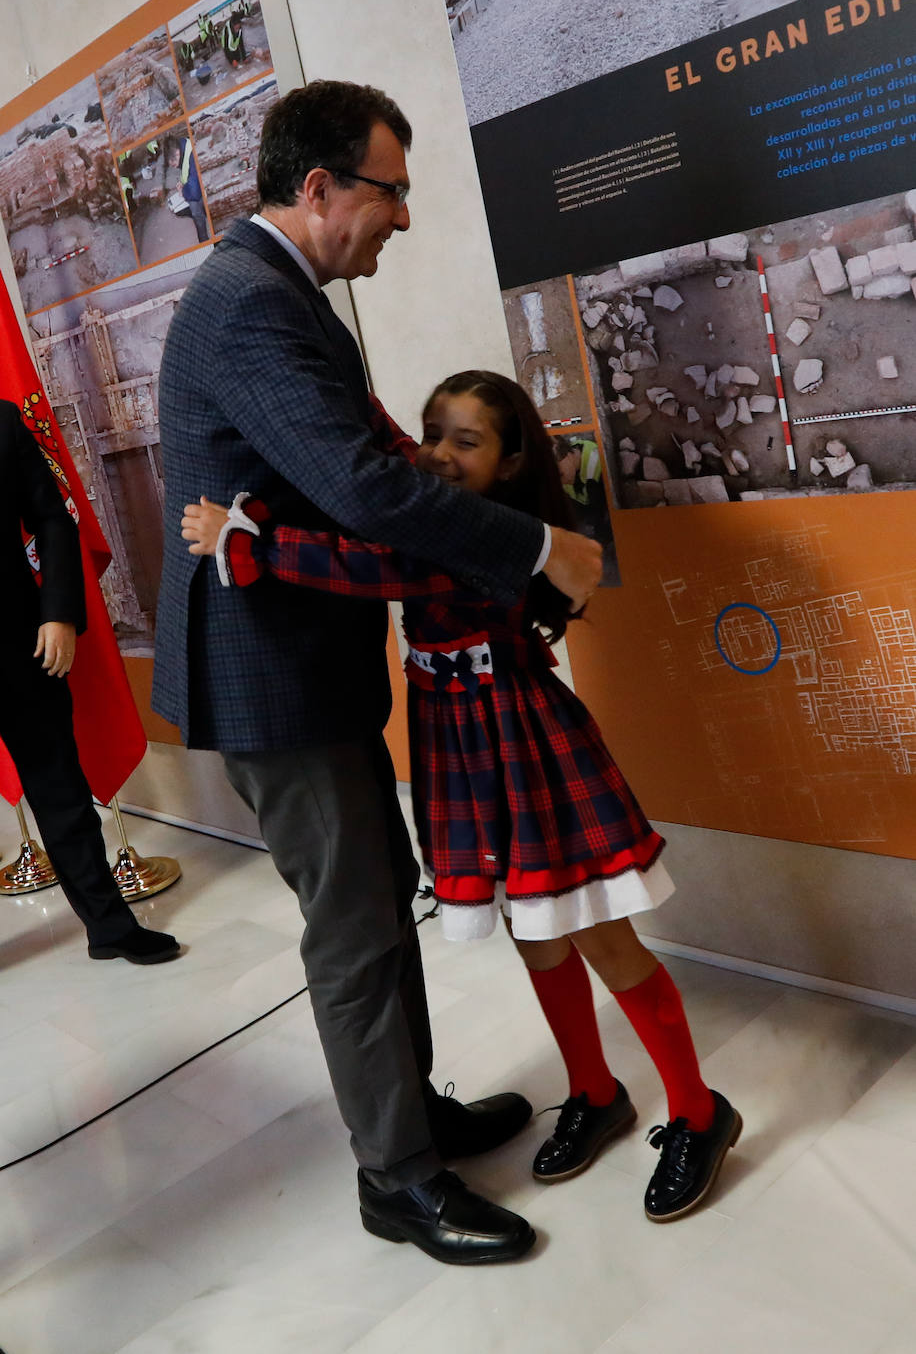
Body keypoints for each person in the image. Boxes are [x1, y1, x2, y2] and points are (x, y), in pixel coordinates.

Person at [152, 81, 602, 1264]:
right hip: (271, 674)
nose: (401, 218)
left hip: (313, 659)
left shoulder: (290, 294)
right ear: (320, 188)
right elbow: (362, 489)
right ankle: (396, 1178)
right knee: (352, 923)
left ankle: (415, 1113)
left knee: (378, 886)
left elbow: (372, 456)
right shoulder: (251, 304)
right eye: (390, 190)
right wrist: (538, 545)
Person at [183, 370, 742, 1223]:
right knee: (536, 933)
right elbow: (393, 487)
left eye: (466, 441)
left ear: (512, 461)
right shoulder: (446, 505)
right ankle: (595, 1090)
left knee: (598, 932)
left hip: (526, 749)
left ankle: (700, 1114)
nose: (437, 454)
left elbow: (374, 566)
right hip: (463, 751)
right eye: (430, 432)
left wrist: (248, 538)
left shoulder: (484, 539)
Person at [0, 399, 180, 965]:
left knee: (62, 793)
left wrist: (58, 612)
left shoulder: (3, 421)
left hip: (16, 642)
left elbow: (53, 515)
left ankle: (109, 927)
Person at [170, 136, 209, 244]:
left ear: (177, 154)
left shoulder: (191, 155)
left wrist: (184, 191)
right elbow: (186, 171)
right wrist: (182, 182)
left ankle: (204, 242)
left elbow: (194, 193)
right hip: (195, 186)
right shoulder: (183, 148)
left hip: (197, 191)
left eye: (173, 164)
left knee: (196, 211)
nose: (174, 167)